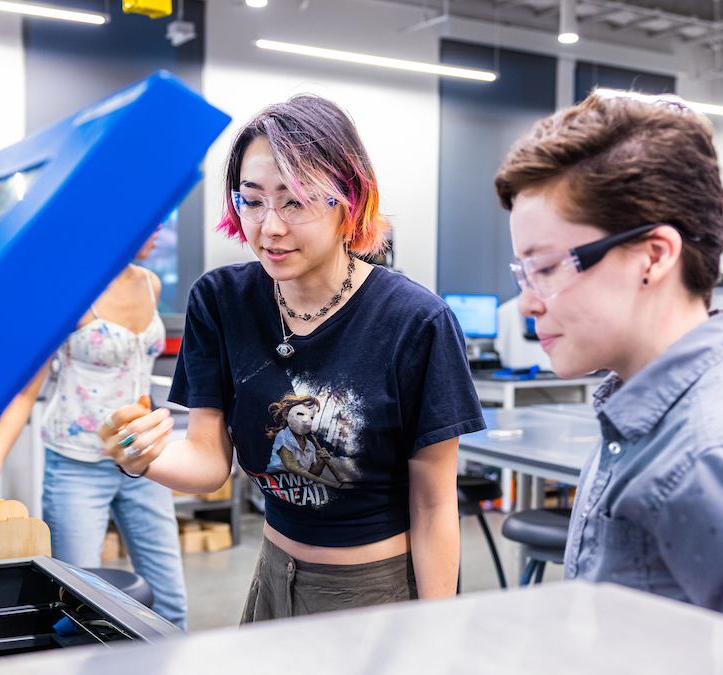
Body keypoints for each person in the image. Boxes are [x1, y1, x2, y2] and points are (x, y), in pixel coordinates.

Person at [494, 92, 723, 649]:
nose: (527, 302)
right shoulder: (638, 412)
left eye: (546, 268)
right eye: (523, 272)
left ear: (653, 256)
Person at [100, 95, 485, 622]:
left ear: (348, 200)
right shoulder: (220, 301)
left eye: (295, 201)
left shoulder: (416, 321)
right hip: (273, 575)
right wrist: (141, 457)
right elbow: (210, 462)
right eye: (251, 200)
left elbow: (435, 503)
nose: (269, 226)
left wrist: (434, 629)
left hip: (374, 593)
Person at [0, 230, 188, 630]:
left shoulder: (151, 283)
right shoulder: (71, 292)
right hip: (76, 466)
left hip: (144, 462)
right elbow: (27, 391)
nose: (159, 231)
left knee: (170, 600)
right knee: (80, 604)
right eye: (151, 221)